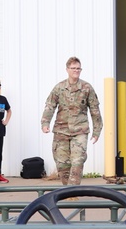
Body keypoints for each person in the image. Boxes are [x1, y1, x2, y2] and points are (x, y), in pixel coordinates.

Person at [41, 57, 102, 185]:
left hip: (80, 130)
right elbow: (50, 106)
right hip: (61, 130)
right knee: (62, 164)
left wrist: (97, 131)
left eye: (78, 68)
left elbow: (95, 110)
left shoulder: (86, 88)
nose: (76, 71)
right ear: (67, 69)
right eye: (73, 68)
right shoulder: (59, 87)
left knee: (77, 161)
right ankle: (66, 190)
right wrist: (45, 123)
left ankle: (72, 192)